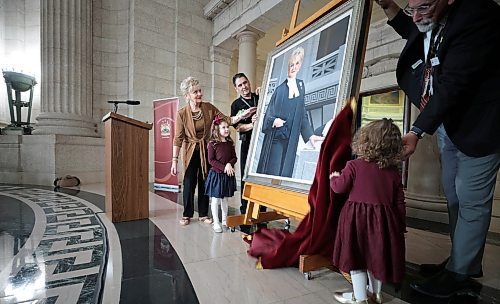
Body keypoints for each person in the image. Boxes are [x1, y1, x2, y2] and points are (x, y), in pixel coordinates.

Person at [376, 0, 500, 298]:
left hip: (481, 126)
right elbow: (414, 30)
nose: (416, 15)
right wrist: (390, 7)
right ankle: (463, 261)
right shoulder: (433, 17)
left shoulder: (477, 16)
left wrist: (417, 129)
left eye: (424, 6)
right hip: (450, 124)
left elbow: (455, 84)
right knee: (454, 196)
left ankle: (459, 274)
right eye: (411, 7)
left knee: (471, 199)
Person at [330, 119, 405, 304]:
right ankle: (376, 295)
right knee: (376, 258)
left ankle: (360, 298)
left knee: (356, 259)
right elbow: (399, 202)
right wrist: (400, 226)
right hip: (384, 223)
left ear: (364, 141)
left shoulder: (354, 166)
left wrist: (334, 178)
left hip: (357, 221)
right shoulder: (393, 172)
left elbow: (340, 188)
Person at [171, 76, 256, 226]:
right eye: (195, 92)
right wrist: (174, 160)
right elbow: (178, 138)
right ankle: (187, 214)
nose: (199, 94)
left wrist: (243, 115)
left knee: (205, 180)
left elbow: (226, 120)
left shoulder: (208, 107)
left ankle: (203, 213)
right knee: (189, 182)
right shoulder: (182, 114)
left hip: (207, 149)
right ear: (187, 96)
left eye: (200, 90)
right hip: (191, 151)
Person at [257, 46, 324, 177]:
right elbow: (268, 114)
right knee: (274, 172)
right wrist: (274, 121)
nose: (293, 67)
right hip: (276, 138)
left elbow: (301, 113)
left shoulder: (300, 85)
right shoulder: (279, 89)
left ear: (300, 65)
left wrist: (310, 135)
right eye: (291, 64)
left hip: (291, 138)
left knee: (285, 172)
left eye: (297, 64)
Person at [230, 73, 261, 232]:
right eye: (240, 85)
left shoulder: (259, 96)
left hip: (262, 144)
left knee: (261, 179)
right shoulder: (236, 105)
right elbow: (237, 127)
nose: (244, 87)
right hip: (247, 144)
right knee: (245, 179)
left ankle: (261, 216)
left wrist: (265, 93)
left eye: (245, 83)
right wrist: (251, 126)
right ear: (236, 88)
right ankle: (245, 215)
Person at [205, 116, 238, 233]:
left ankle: (224, 220)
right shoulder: (212, 144)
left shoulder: (230, 143)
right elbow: (211, 160)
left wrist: (229, 164)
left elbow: (234, 157)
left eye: (227, 127)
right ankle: (216, 222)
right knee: (215, 199)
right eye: (223, 127)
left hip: (227, 176)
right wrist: (225, 167)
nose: (226, 129)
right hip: (217, 175)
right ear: (217, 130)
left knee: (225, 199)